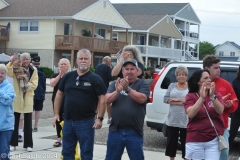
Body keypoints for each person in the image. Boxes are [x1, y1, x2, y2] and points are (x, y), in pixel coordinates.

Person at [53, 49, 107, 159]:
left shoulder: (95, 78)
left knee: (86, 154)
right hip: (68, 121)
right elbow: (59, 94)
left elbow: (103, 99)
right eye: (81, 58)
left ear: (90, 61)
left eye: (86, 58)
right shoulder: (68, 77)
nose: (83, 61)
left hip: (86, 123)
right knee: (67, 153)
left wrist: (100, 119)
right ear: (76, 61)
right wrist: (56, 113)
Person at [105, 58, 150, 160]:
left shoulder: (143, 84)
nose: (129, 71)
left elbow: (142, 99)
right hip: (115, 130)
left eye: (132, 69)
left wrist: (128, 89)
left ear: (137, 71)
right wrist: (117, 91)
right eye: (127, 69)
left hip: (134, 131)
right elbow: (107, 100)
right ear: (123, 71)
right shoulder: (115, 83)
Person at [203, 55, 238, 160]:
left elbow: (235, 102)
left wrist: (229, 106)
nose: (219, 70)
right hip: (203, 128)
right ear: (207, 68)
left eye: (219, 67)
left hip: (222, 128)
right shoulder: (199, 83)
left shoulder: (226, 84)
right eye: (215, 68)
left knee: (223, 154)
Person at [184, 69, 225, 159]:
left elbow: (220, 110)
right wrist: (201, 98)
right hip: (195, 140)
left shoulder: (215, 94)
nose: (209, 80)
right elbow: (191, 114)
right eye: (206, 78)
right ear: (198, 82)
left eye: (209, 78)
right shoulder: (190, 96)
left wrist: (212, 97)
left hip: (213, 139)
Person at [6, 52, 38, 152]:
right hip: (18, 97)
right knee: (14, 122)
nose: (25, 61)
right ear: (21, 60)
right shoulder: (16, 67)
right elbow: (8, 72)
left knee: (28, 123)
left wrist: (26, 85)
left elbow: (35, 83)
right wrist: (11, 62)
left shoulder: (33, 69)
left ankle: (28, 145)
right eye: (23, 59)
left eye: (27, 59)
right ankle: (13, 143)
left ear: (30, 60)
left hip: (27, 96)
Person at [163, 65, 188, 160]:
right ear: (176, 76)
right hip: (172, 119)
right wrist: (181, 101)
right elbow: (165, 99)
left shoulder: (190, 87)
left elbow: (189, 101)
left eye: (183, 74)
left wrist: (174, 100)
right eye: (179, 74)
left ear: (186, 76)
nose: (181, 76)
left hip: (185, 120)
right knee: (171, 143)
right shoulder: (172, 85)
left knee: (186, 144)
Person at [50, 58, 71, 147]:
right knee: (58, 117)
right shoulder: (55, 75)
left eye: (65, 64)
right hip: (56, 100)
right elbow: (52, 84)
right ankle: (59, 137)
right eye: (61, 64)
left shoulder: (71, 75)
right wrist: (59, 75)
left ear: (68, 66)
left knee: (67, 118)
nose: (63, 66)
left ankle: (67, 136)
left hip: (68, 100)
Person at [0, 64, 16, 160]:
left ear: (5, 74)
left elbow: (8, 101)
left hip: (5, 126)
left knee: (4, 152)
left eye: (2, 73)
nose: (0, 75)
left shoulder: (9, 87)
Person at [95, 56, 112, 124]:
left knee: (96, 103)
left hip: (96, 86)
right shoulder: (107, 67)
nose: (110, 63)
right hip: (105, 87)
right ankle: (109, 118)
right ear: (107, 61)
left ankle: (95, 117)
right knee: (107, 103)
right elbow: (110, 78)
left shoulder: (97, 67)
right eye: (110, 61)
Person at [32, 56, 46, 132]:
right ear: (39, 63)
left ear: (32, 63)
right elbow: (44, 85)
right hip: (40, 94)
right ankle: (35, 126)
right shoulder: (42, 72)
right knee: (38, 110)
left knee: (30, 110)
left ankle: (29, 125)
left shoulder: (30, 71)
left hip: (31, 93)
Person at [229, 65, 240, 149]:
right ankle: (226, 153)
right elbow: (233, 98)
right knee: (232, 134)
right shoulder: (235, 81)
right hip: (237, 112)